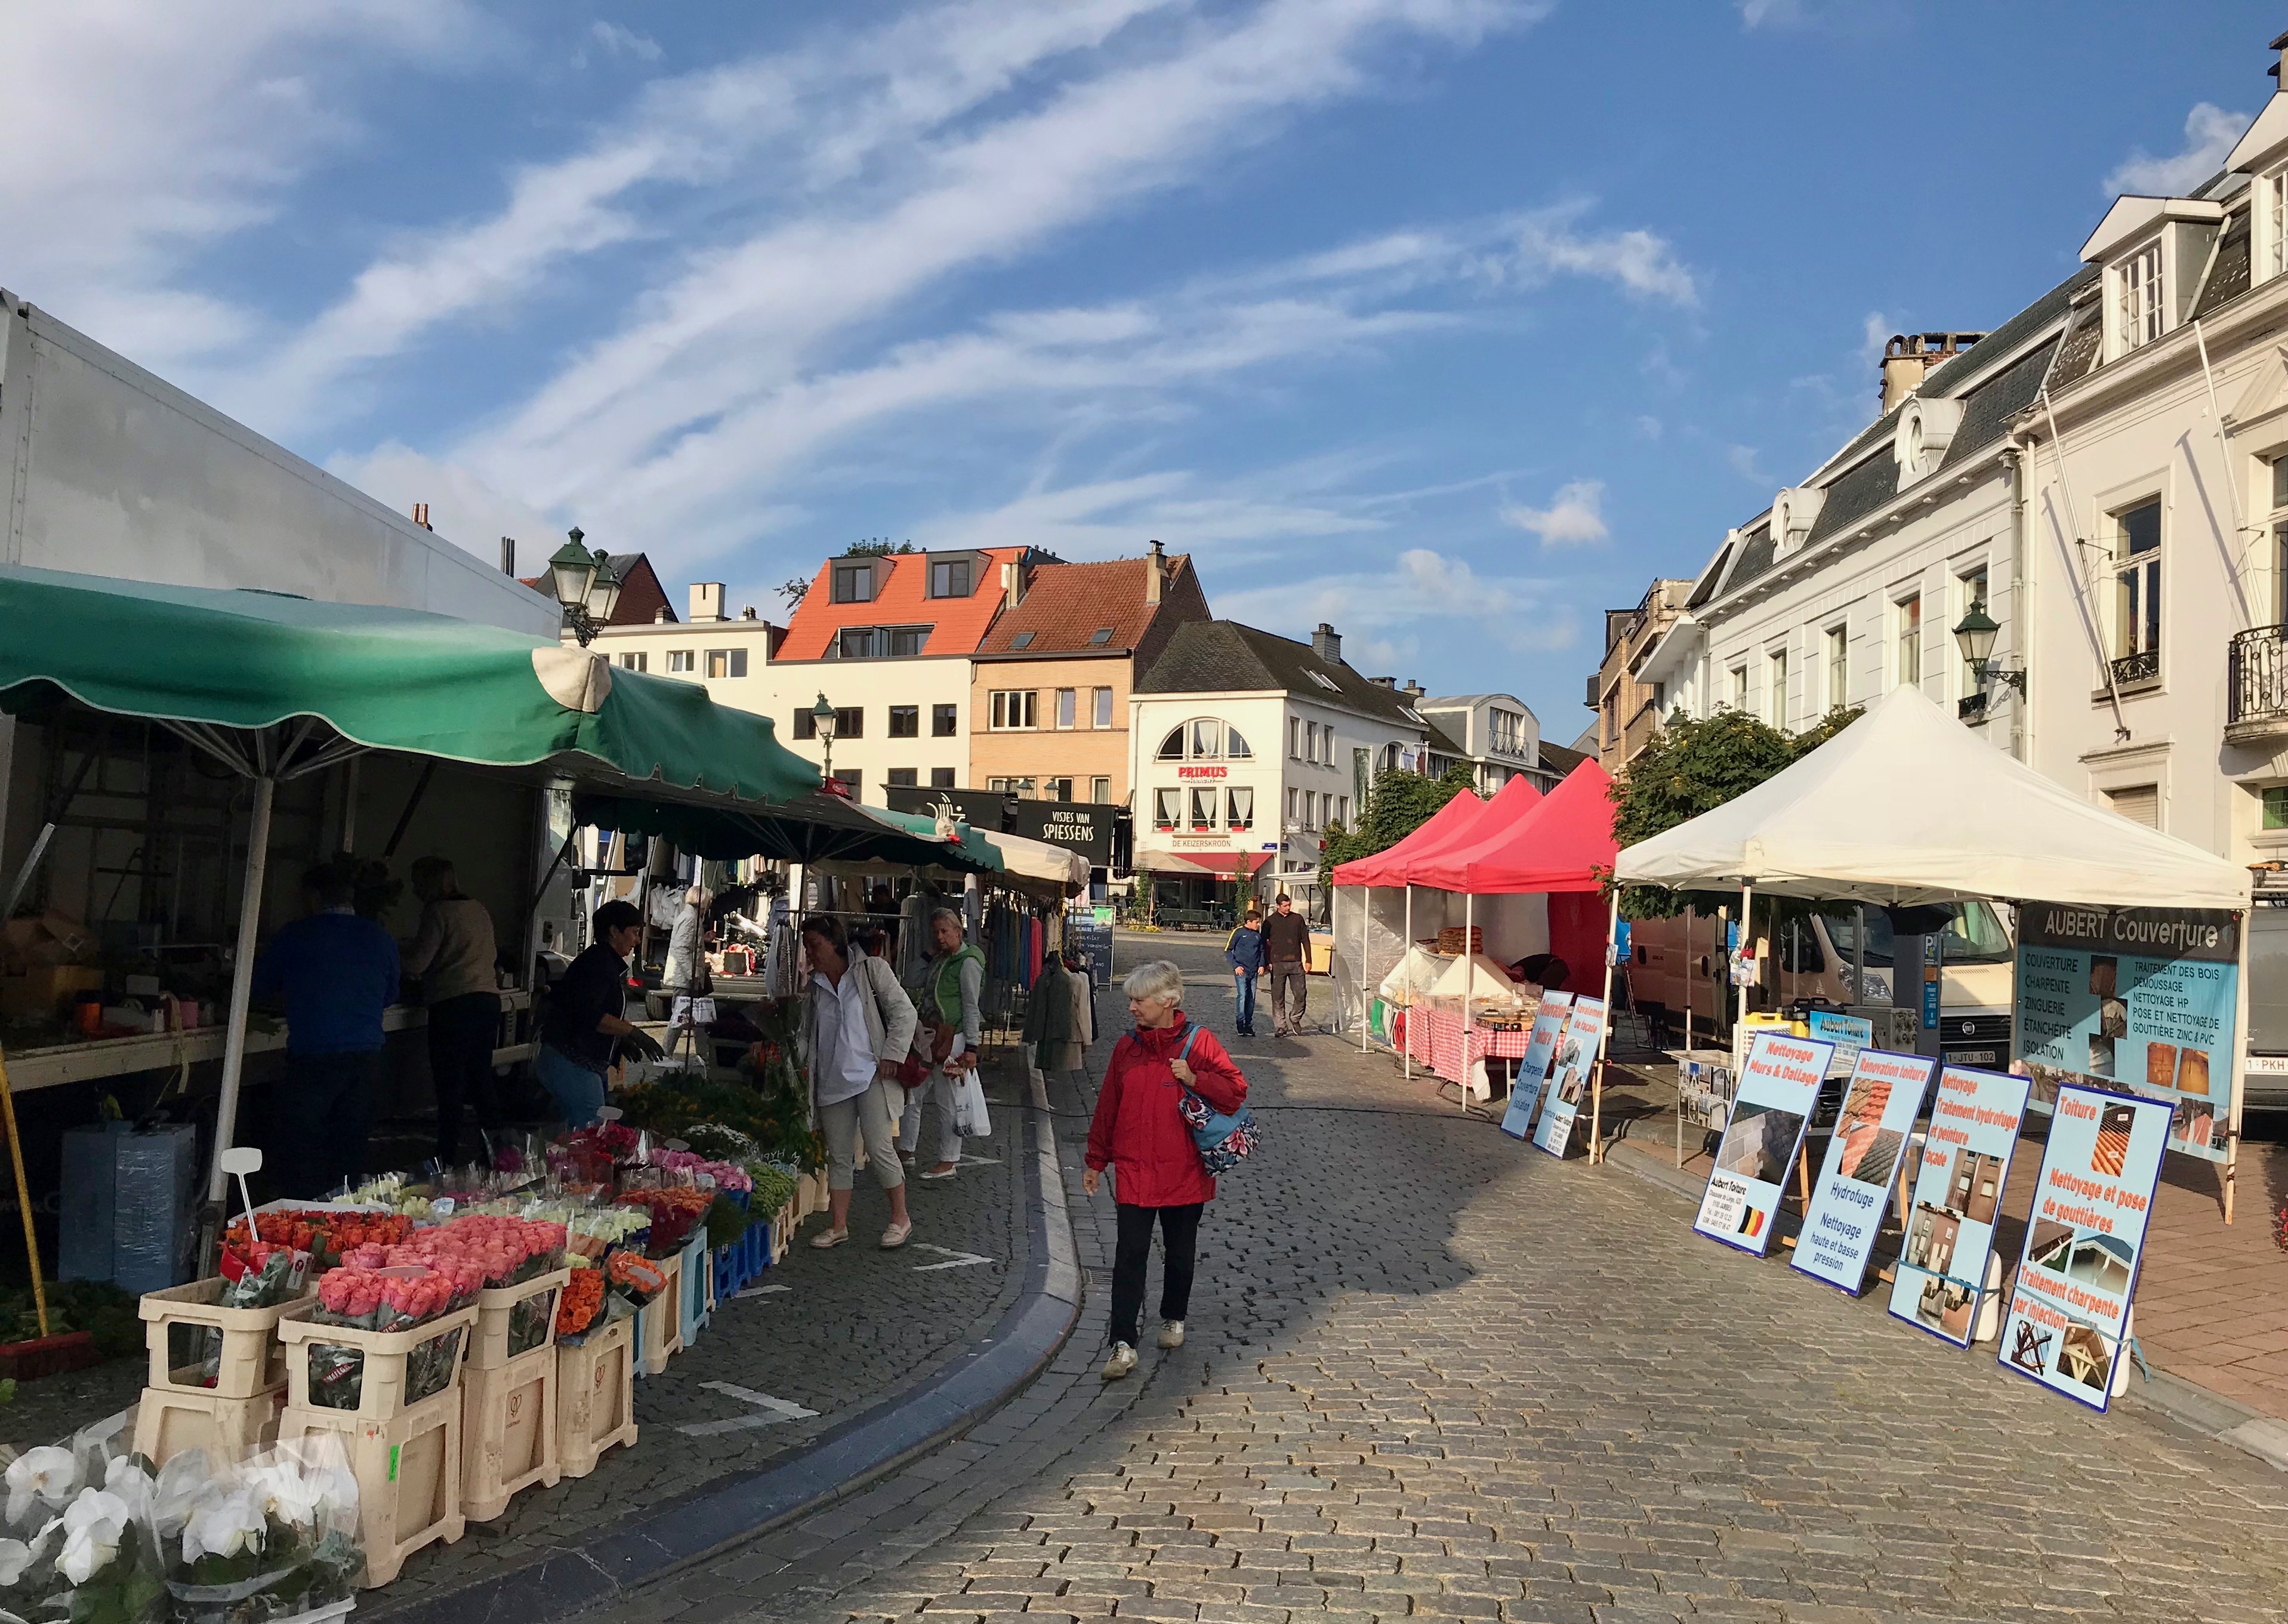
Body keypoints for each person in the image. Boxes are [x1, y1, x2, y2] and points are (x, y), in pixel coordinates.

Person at [1084, 959, 1247, 1380]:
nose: (1132, 1008)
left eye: (1140, 1000)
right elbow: (1108, 1107)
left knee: (1180, 1254)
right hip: (1136, 1171)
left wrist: (1195, 1076)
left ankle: (1174, 1314)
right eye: (1132, 1000)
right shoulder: (1126, 1047)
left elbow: (1235, 1092)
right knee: (1129, 1256)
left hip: (1184, 1172)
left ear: (1168, 1001)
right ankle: (1122, 1342)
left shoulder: (1200, 1042)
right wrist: (1096, 1160)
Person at [252, 859, 400, 1197]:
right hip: (366, 1055)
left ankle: (305, 1219)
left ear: (313, 896)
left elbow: (259, 986)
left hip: (314, 1055)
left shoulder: (296, 935)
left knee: (304, 1147)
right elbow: (390, 994)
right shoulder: (379, 938)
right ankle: (348, 1221)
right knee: (350, 1147)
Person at [800, 913, 918, 1249]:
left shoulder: (871, 970)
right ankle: (838, 1226)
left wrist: (893, 1054)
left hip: (872, 1075)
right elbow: (810, 1034)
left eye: (815, 946)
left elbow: (904, 1012)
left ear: (835, 943)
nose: (810, 953)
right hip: (832, 1080)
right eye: (807, 947)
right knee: (839, 1155)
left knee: (880, 1149)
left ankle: (901, 1218)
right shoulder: (814, 986)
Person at [404, 856, 502, 1166]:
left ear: (432, 883)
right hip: (487, 1000)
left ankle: (446, 1155)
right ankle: (496, 1152)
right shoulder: (478, 909)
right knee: (481, 1077)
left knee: (451, 1084)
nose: (414, 889)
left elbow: (418, 962)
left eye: (418, 882)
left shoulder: (437, 912)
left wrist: (397, 957)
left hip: (453, 1003)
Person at [538, 899, 660, 1127]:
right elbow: (589, 1014)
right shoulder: (598, 964)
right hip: (571, 1062)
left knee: (579, 1132)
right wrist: (633, 1033)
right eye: (634, 932)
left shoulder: (604, 962)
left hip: (579, 1062)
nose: (637, 940)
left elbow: (598, 1011)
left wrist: (619, 1041)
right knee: (590, 1135)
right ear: (614, 931)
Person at [904, 906, 983, 1180]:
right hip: (929, 1034)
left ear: (958, 932)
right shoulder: (939, 959)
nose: (939, 937)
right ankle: (906, 1148)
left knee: (947, 1100)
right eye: (936, 932)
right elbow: (911, 980)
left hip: (953, 1038)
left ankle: (949, 1160)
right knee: (913, 1091)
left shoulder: (968, 964)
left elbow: (972, 1007)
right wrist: (928, 955)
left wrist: (971, 1048)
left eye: (944, 931)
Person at [1021, 949, 1095, 1109]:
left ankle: (1059, 1100)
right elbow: (1083, 1011)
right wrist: (1087, 1038)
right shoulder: (1065, 980)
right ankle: (1060, 1101)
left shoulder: (1074, 980)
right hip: (1066, 1033)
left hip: (1056, 1033)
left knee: (1057, 1069)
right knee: (1059, 1070)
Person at [1260, 893, 1312, 1037]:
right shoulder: (1270, 922)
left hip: (1296, 962)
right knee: (1278, 997)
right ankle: (1281, 1026)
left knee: (1301, 993)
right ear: (1278, 906)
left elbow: (1305, 939)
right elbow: (1263, 943)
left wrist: (1309, 959)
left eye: (1289, 905)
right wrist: (1266, 962)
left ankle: (1295, 1018)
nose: (1288, 908)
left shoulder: (1297, 919)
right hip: (1277, 963)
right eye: (1285, 906)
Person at [1223, 908, 1268, 1037]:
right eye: (1256, 922)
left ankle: (1249, 1024)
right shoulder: (1238, 933)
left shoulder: (1257, 935)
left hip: (1253, 971)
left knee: (1251, 998)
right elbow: (1228, 950)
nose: (1258, 925)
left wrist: (1261, 965)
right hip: (1241, 971)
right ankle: (1240, 1023)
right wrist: (1236, 966)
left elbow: (1262, 951)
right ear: (1248, 922)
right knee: (1242, 996)